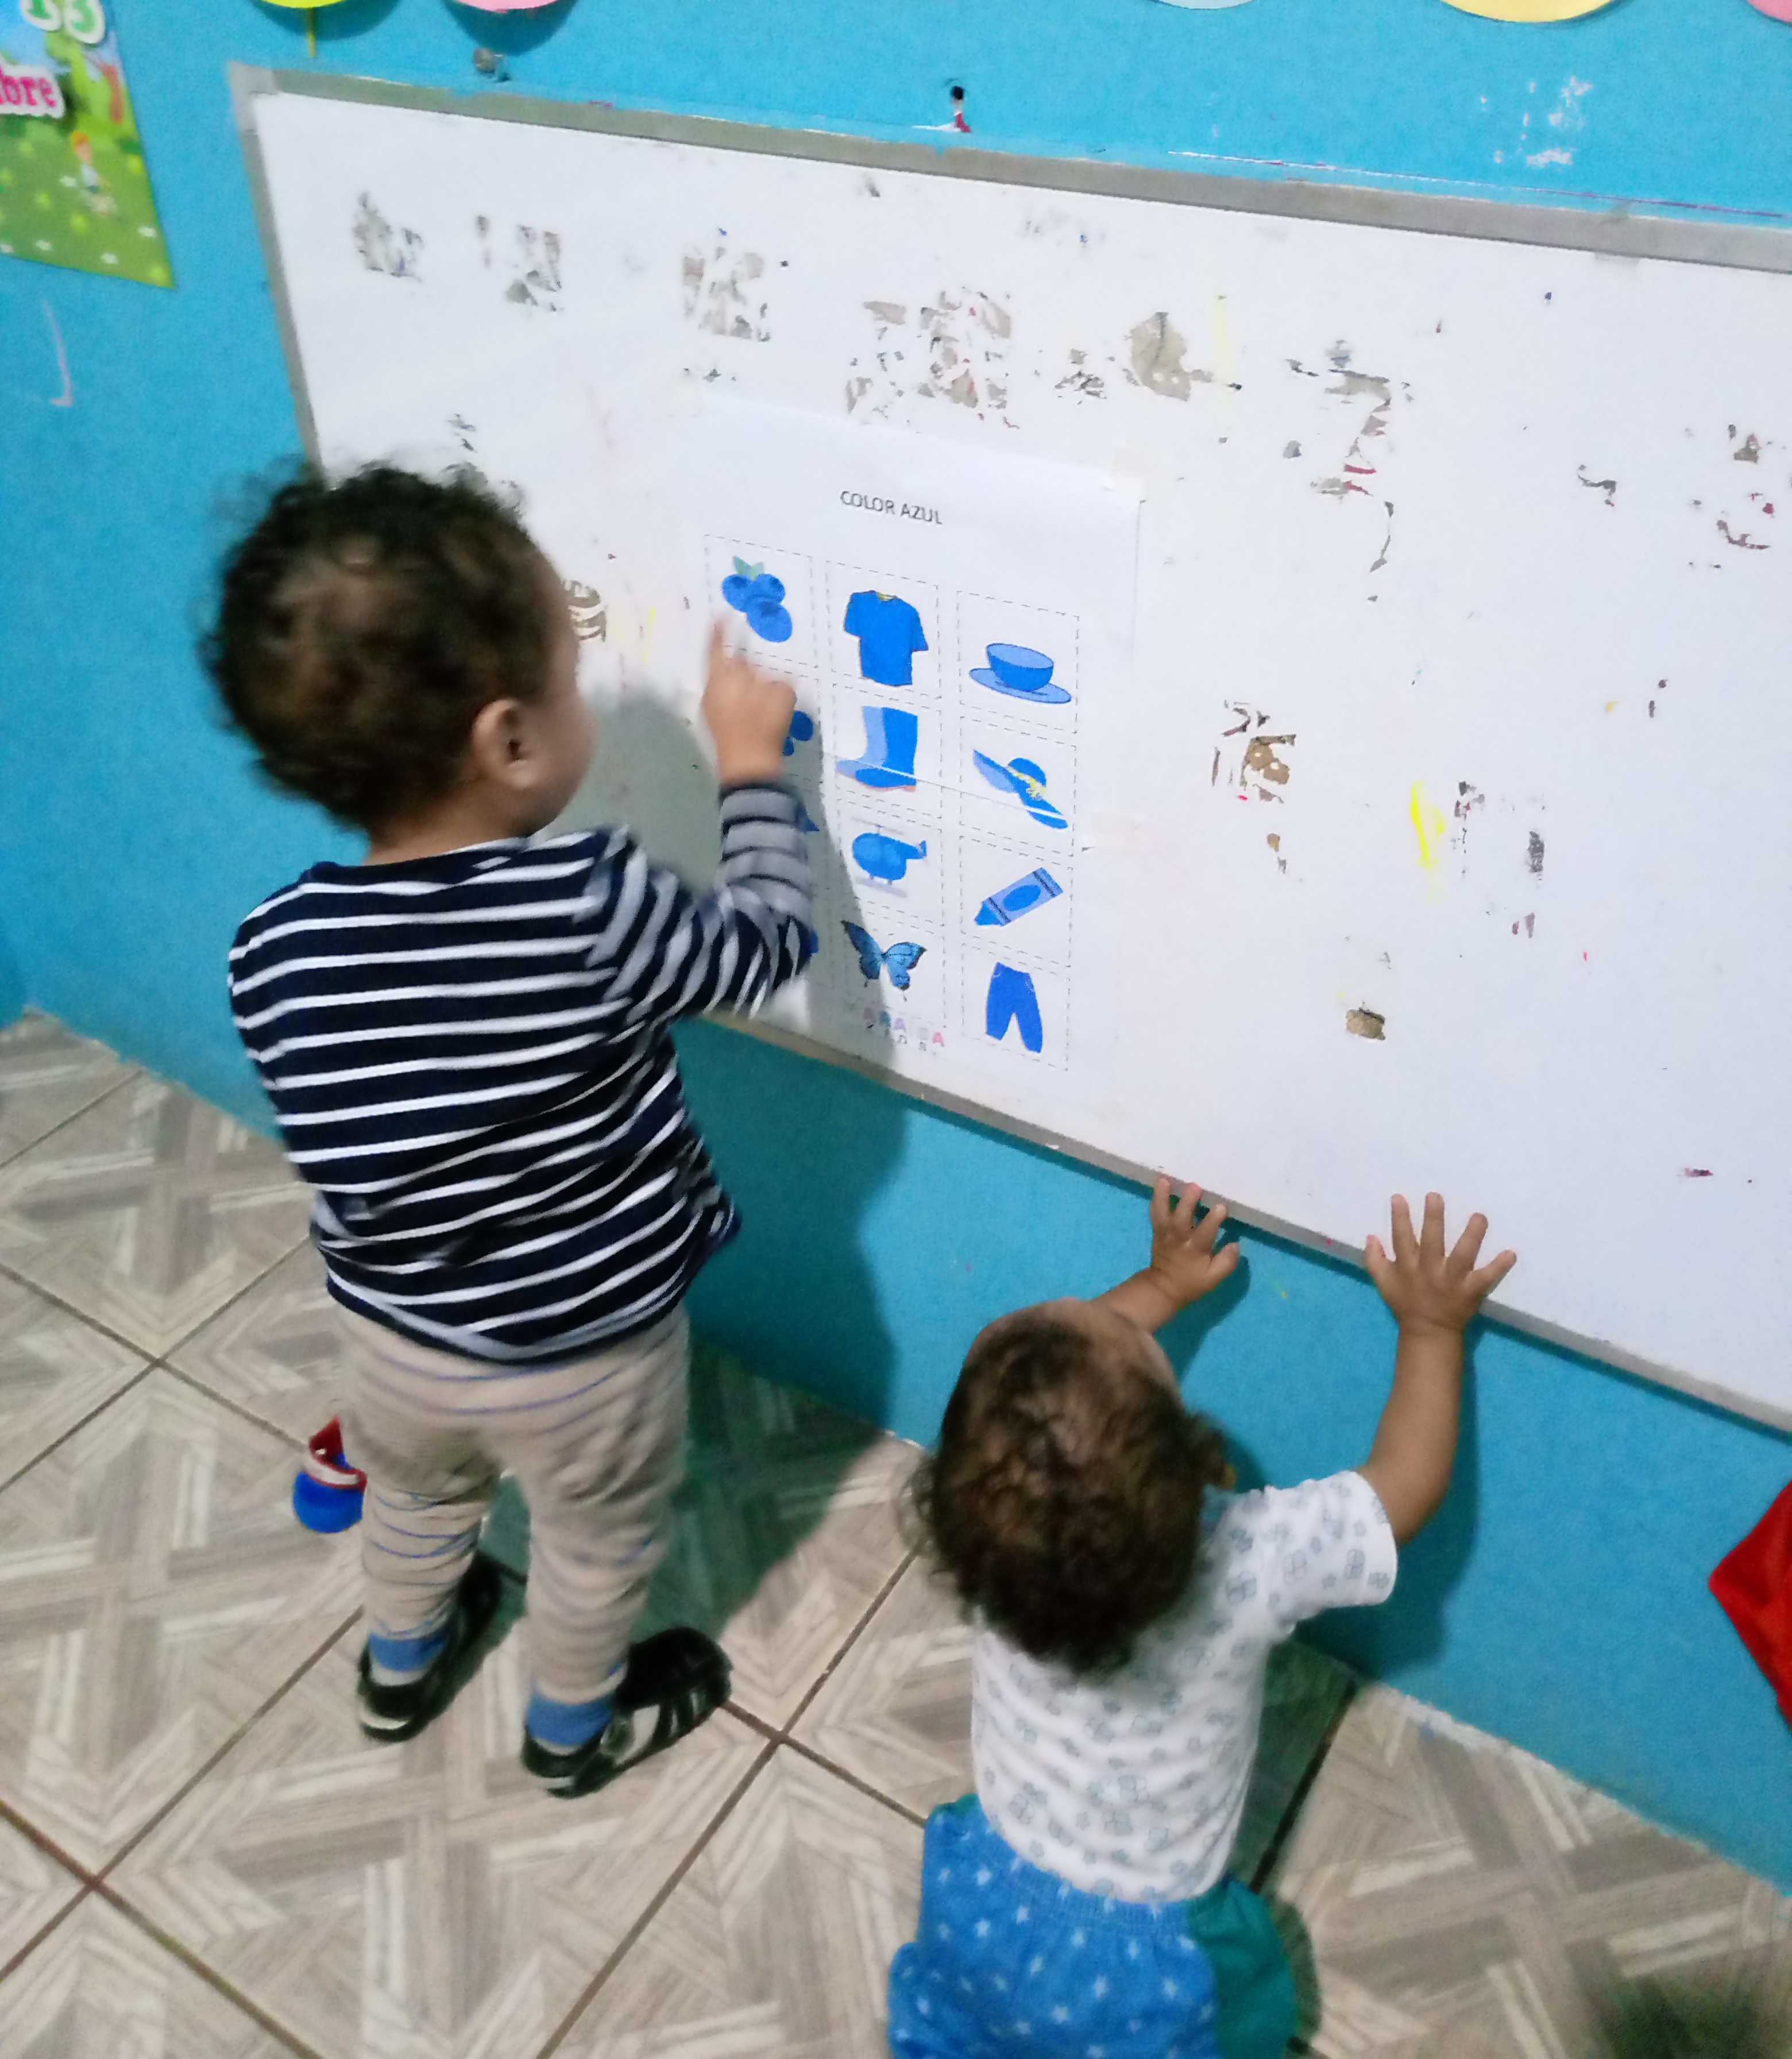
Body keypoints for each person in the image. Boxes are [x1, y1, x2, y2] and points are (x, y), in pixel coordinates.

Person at [205, 462, 811, 1795]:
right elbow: (768, 944)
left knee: (419, 1501)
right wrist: (751, 767)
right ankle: (571, 1732)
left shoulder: (274, 948)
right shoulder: (591, 905)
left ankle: (399, 1670)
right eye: (571, 676)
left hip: (396, 1342)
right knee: (592, 1547)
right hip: (587, 1356)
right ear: (509, 743)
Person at [890, 1178, 1516, 2058]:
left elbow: (1037, 1393)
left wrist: (1161, 1284)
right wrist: (1431, 1331)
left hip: (987, 1895)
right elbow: (1402, 1492)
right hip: (1149, 1959)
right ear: (1194, 1463)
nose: (1109, 1311)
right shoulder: (1244, 1560)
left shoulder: (993, 1535)